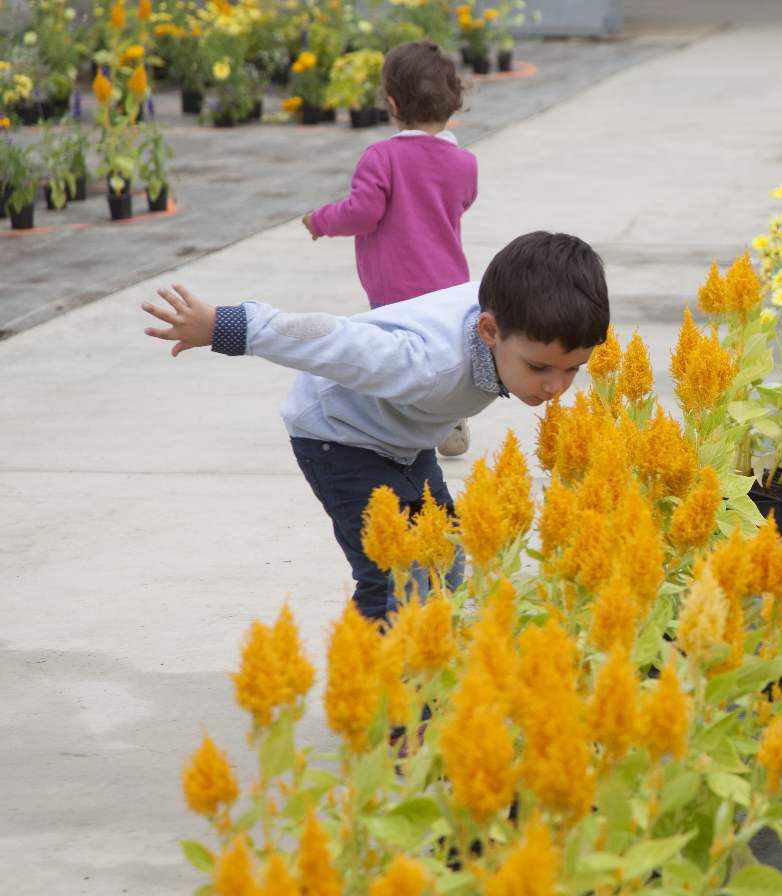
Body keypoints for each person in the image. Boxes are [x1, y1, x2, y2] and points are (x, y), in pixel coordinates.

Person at [141, 232, 610, 621]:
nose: (556, 387)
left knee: (443, 558)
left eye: (573, 370)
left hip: (406, 439)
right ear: (488, 331)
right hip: (338, 438)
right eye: (540, 368)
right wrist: (221, 325)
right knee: (394, 577)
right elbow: (328, 339)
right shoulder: (422, 363)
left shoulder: (523, 317)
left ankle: (427, 672)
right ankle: (385, 705)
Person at [303, 39, 478, 458]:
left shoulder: (381, 156)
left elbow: (363, 212)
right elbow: (462, 202)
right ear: (453, 103)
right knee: (439, 351)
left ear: (393, 103)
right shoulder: (464, 163)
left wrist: (322, 220)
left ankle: (405, 427)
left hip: (395, 285)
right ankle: (448, 413)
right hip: (448, 283)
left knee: (395, 358)